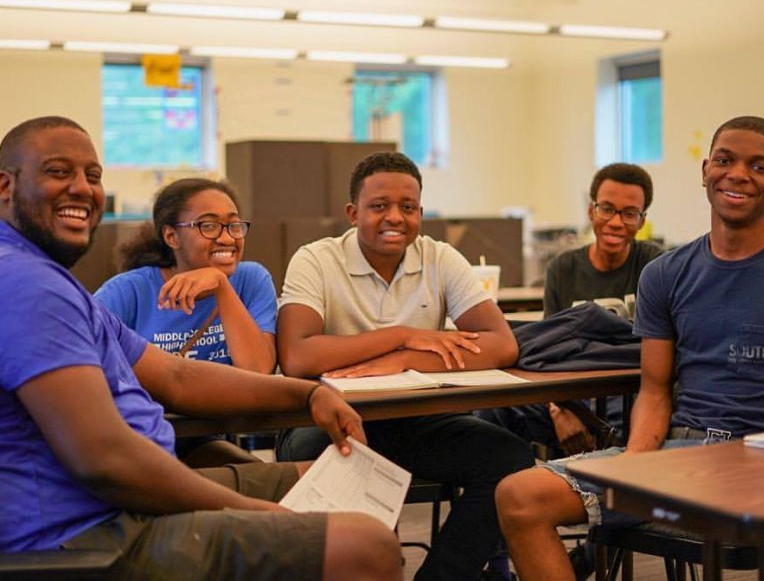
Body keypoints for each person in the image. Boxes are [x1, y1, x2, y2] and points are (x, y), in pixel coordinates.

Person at [0, 115, 402, 581]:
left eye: (93, 176)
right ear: (5, 186)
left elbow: (176, 378)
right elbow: (104, 458)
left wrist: (308, 393)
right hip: (87, 532)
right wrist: (254, 511)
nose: (82, 189)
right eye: (57, 172)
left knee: (346, 482)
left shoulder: (46, 279)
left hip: (123, 500)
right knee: (365, 545)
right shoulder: (28, 284)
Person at [495, 115, 764, 580]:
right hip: (683, 455)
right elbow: (655, 391)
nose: (738, 174)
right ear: (705, 171)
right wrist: (636, 465)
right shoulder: (664, 274)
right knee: (519, 497)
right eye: (725, 160)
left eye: (759, 167)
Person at [276, 151, 533, 581]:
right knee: (336, 464)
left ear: (420, 213)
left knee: (509, 457)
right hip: (325, 422)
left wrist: (402, 359)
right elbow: (298, 357)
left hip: (413, 419)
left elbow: (501, 345)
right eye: (379, 206)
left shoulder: (440, 258)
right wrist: (400, 335)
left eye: (408, 207)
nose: (395, 217)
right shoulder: (315, 259)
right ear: (353, 213)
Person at [478, 163, 663, 455]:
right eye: (607, 209)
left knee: (621, 423)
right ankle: (513, 480)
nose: (616, 222)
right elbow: (548, 351)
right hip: (569, 393)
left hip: (628, 391)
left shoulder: (657, 266)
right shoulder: (563, 269)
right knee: (493, 411)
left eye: (629, 213)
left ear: (642, 221)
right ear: (591, 211)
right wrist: (559, 411)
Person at [96, 177, 276, 466]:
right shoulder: (127, 292)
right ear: (171, 237)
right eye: (208, 226)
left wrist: (221, 287)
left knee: (262, 476)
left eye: (233, 225)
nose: (227, 238)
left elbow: (257, 371)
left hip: (204, 438)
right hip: (139, 439)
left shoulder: (250, 280)